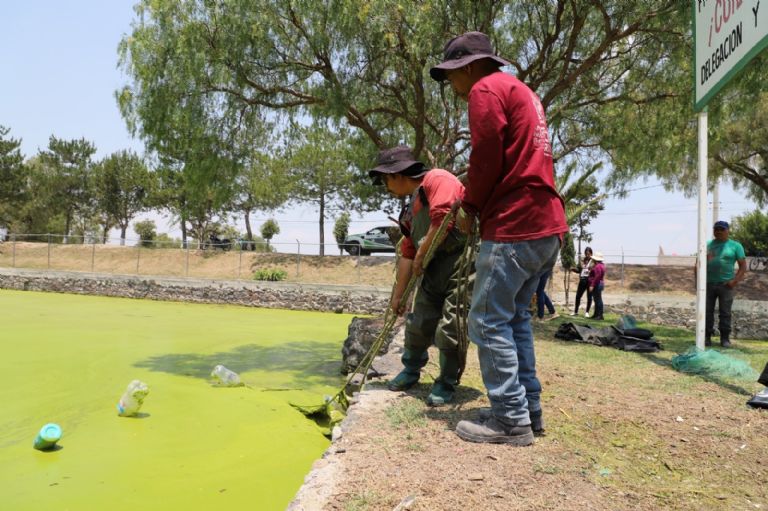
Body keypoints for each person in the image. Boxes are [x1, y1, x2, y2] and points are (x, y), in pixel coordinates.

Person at [430, 31, 568, 445]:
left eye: (451, 76)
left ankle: (510, 421)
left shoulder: (485, 88)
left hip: (515, 223)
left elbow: (485, 156)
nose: (451, 87)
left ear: (468, 67)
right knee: (514, 319)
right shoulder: (523, 91)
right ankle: (529, 411)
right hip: (547, 223)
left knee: (486, 321)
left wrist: (471, 207)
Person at [368, 145, 468, 406]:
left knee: (451, 325)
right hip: (431, 270)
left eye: (385, 180)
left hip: (460, 265)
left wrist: (423, 254)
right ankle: (411, 370)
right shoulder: (409, 210)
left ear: (397, 174)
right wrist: (399, 297)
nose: (386, 187)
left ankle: (446, 381)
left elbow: (443, 216)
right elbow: (408, 253)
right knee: (418, 321)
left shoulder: (438, 179)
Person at [703, 220, 747, 347]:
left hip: (726, 285)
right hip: (708, 284)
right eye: (716, 229)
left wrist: (734, 281)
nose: (718, 231)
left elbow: (743, 266)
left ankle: (725, 339)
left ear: (728, 231)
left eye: (722, 229)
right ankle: (706, 337)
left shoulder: (735, 246)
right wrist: (698, 282)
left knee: (725, 313)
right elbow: (698, 264)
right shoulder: (707, 245)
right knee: (706, 312)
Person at [570, 247, 594, 317]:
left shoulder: (593, 261)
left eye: (588, 254)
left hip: (589, 281)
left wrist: (590, 270)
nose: (587, 255)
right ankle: (576, 311)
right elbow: (579, 271)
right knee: (578, 296)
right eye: (586, 254)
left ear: (591, 253)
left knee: (589, 297)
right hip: (582, 280)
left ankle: (587, 312)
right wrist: (573, 269)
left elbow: (594, 271)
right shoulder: (582, 261)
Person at [588, 252, 606, 321]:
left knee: (598, 300)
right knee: (597, 300)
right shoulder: (601, 265)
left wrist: (592, 285)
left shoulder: (598, 266)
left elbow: (597, 276)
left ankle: (599, 315)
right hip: (599, 284)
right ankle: (597, 314)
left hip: (597, 284)